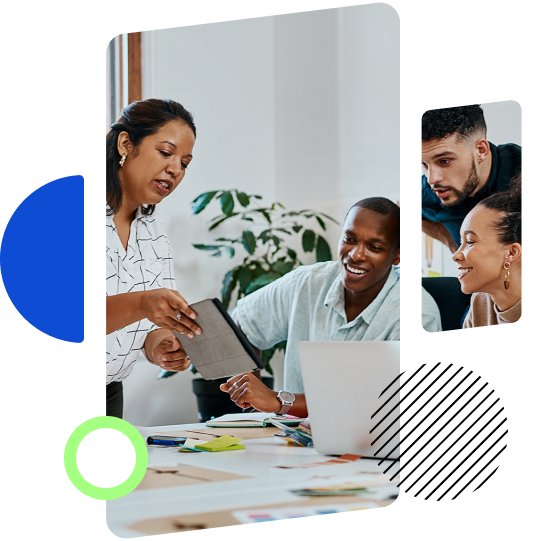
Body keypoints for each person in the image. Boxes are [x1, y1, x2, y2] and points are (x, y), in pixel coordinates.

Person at [220, 197, 441, 417]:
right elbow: (239, 323)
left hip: (367, 445)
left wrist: (279, 401)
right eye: (349, 239)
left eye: (374, 247)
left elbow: (389, 402)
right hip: (289, 439)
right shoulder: (307, 282)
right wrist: (248, 390)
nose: (356, 255)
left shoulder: (417, 314)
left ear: (397, 256)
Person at [106, 99, 203, 419]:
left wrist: (160, 345)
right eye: (166, 152)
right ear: (125, 144)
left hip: (107, 393)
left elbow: (146, 325)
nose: (175, 169)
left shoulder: (154, 234)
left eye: (185, 162)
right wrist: (144, 303)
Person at [421, 104, 525, 252]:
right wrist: (449, 240)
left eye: (444, 161)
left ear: (481, 150)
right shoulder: (427, 192)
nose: (432, 179)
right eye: (424, 164)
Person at [452, 177, 523, 333]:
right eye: (461, 242)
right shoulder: (481, 303)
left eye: (470, 242)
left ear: (511, 252)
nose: (456, 255)